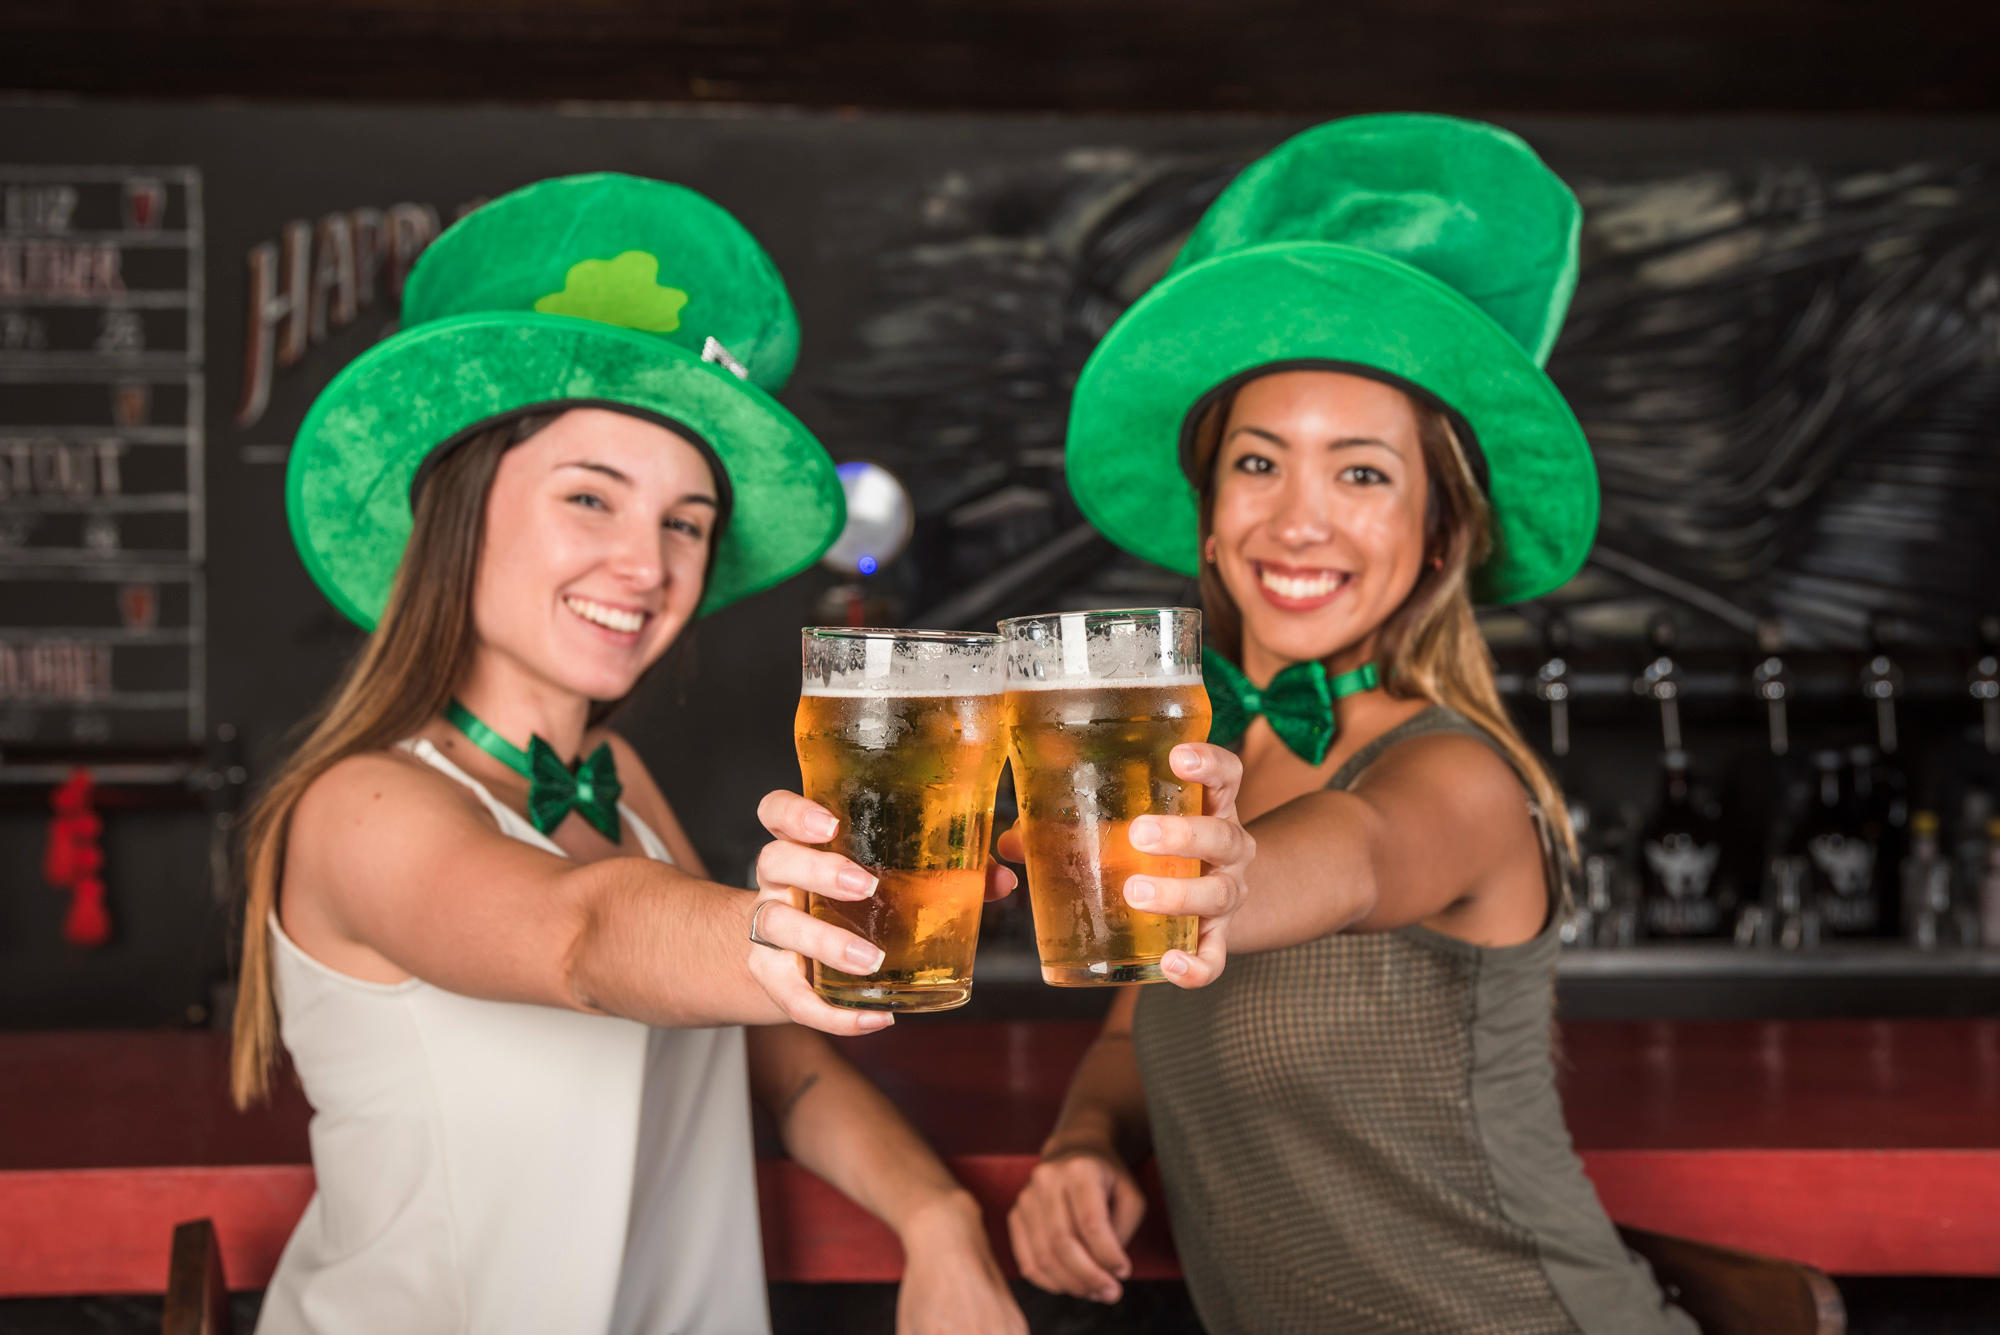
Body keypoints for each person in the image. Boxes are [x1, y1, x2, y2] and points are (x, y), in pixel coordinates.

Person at [233, 173, 1025, 1334]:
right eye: (590, 499)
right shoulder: (364, 804)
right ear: (462, 512)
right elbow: (584, 940)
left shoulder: (622, 785)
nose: (647, 566)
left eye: (685, 524)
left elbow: (771, 1063)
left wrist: (936, 1217)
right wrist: (779, 924)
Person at [1007, 115, 1698, 1333]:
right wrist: (1081, 1138)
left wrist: (1205, 872)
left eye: (1362, 474)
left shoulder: (1453, 779)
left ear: (1438, 533)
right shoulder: (1203, 751)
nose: (1298, 523)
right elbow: (1138, 1014)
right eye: (1258, 465)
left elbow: (1346, 859)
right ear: (1207, 517)